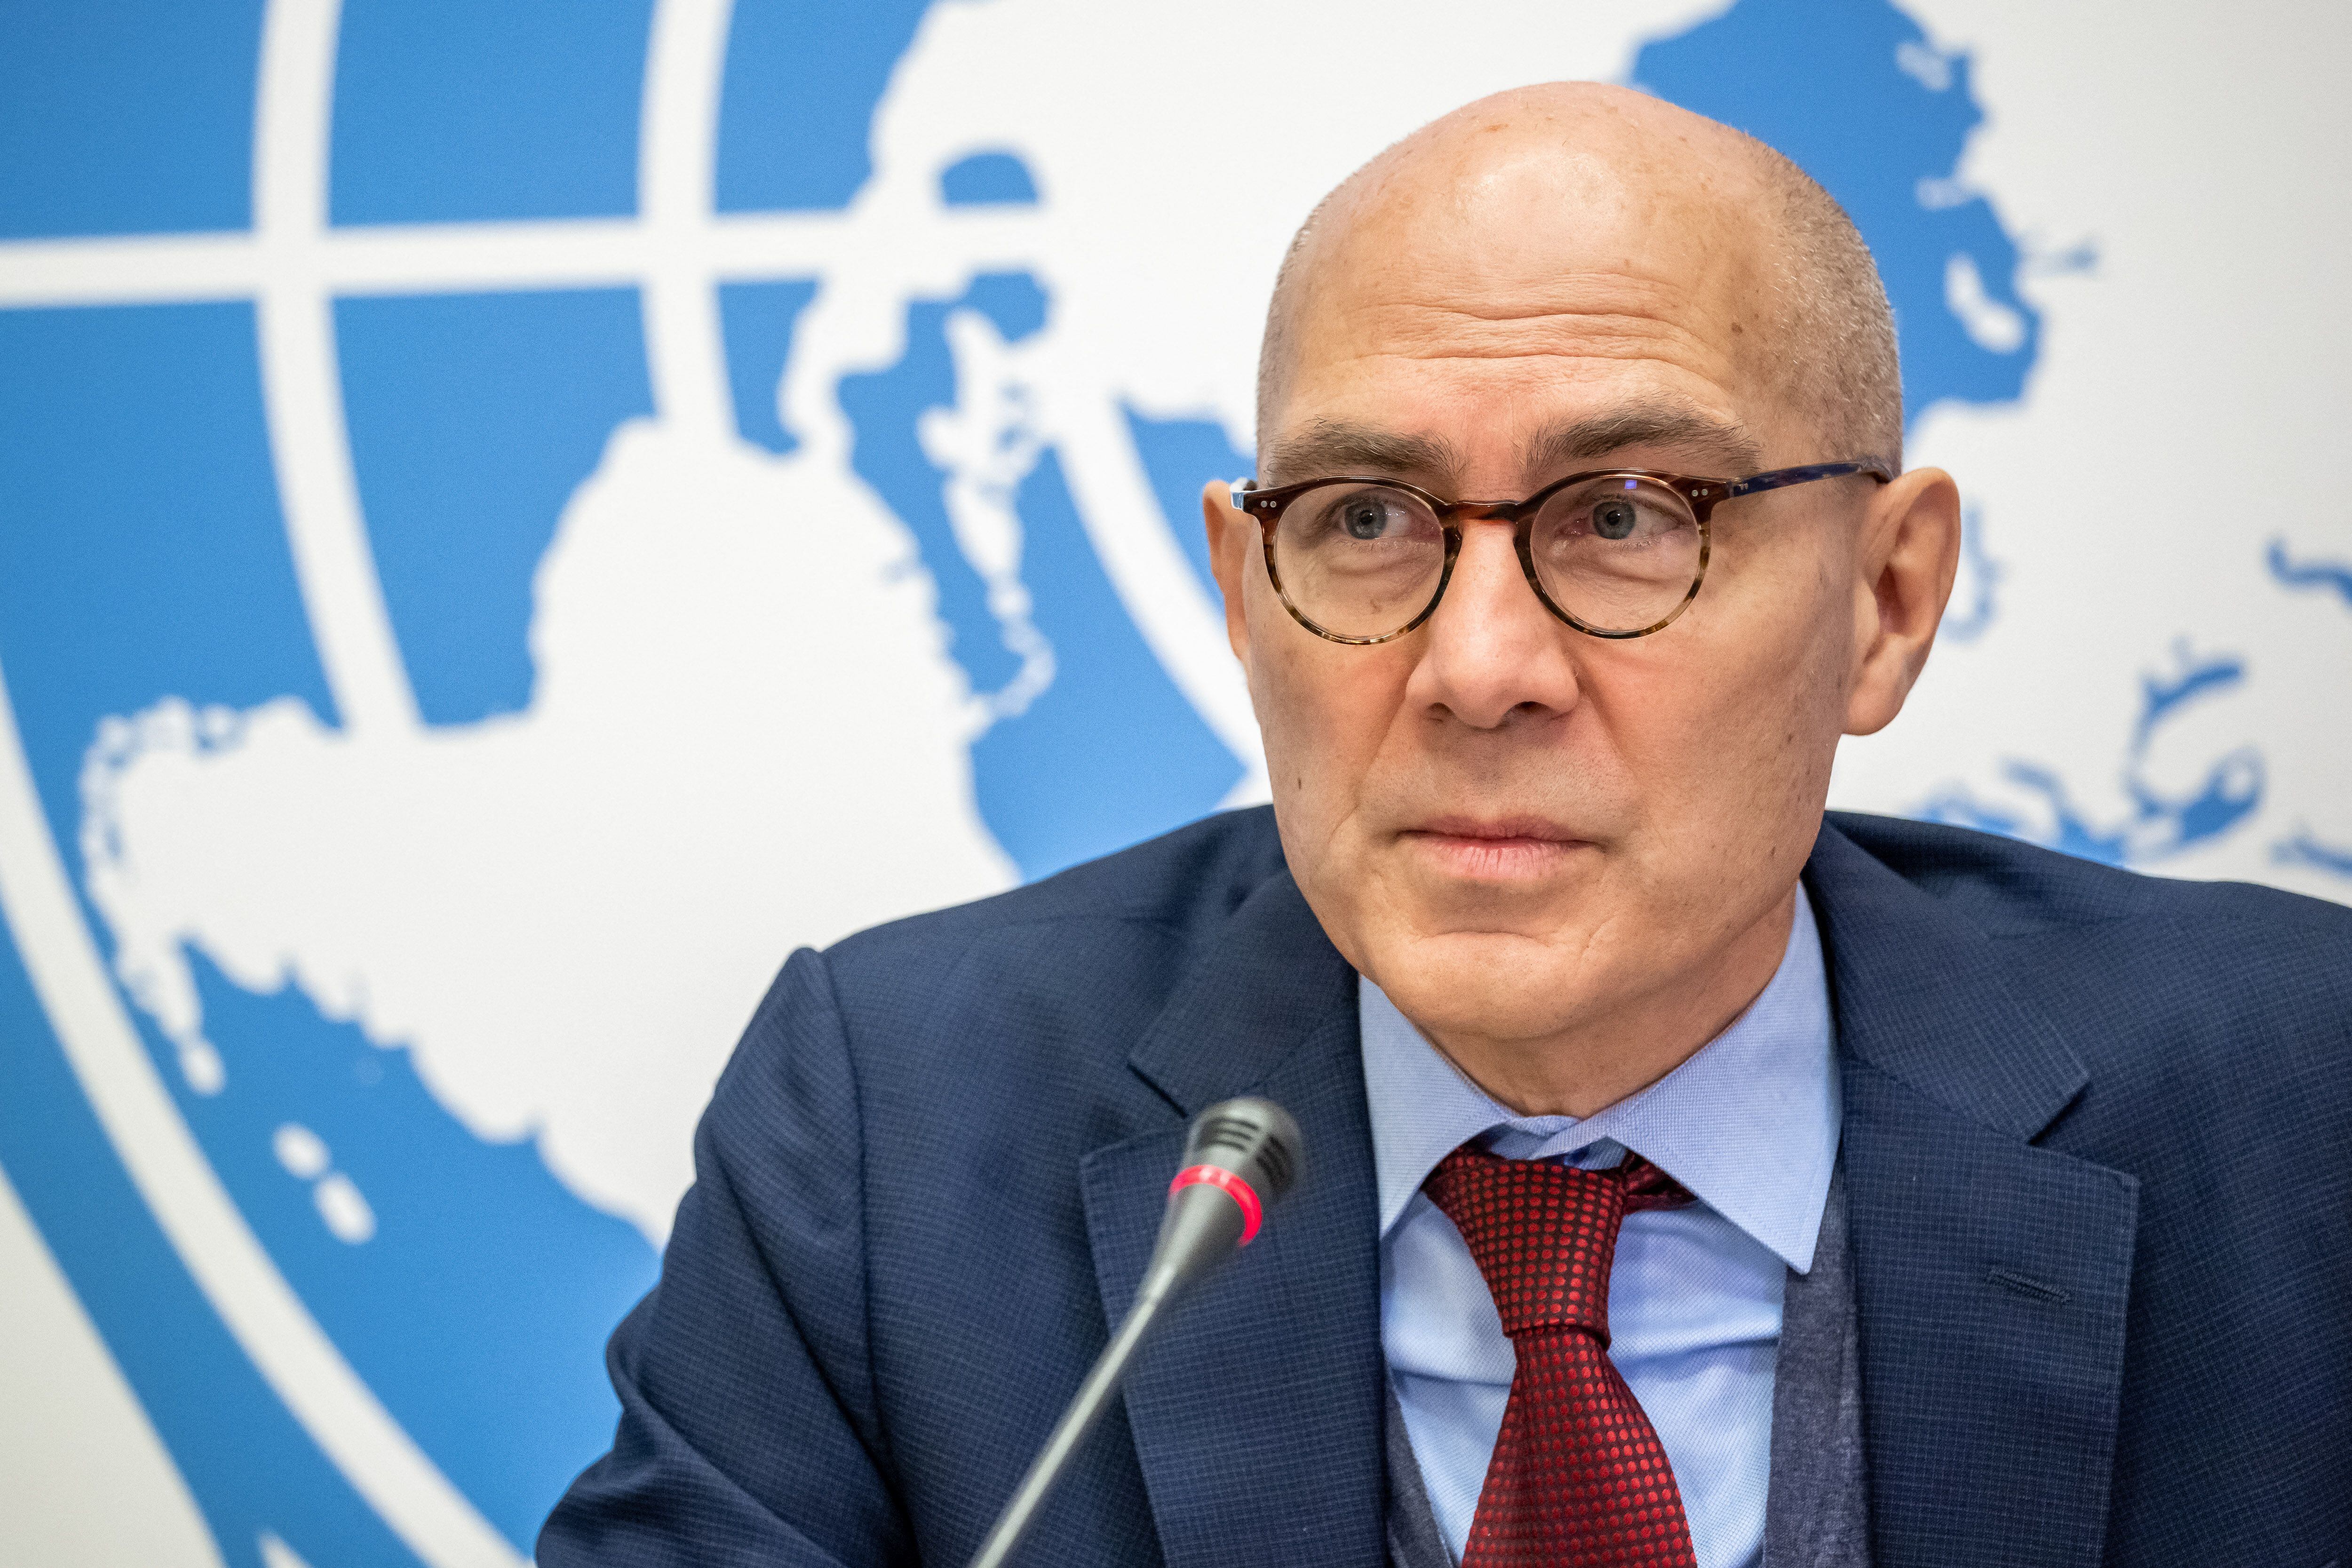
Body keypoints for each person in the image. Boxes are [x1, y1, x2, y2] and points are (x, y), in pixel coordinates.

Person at [540, 83, 2351, 1568]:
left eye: (1630, 517)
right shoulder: (889, 1135)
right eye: (1364, 521)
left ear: (1886, 599)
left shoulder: (2298, 1108)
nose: (1479, 670)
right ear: (1246, 601)